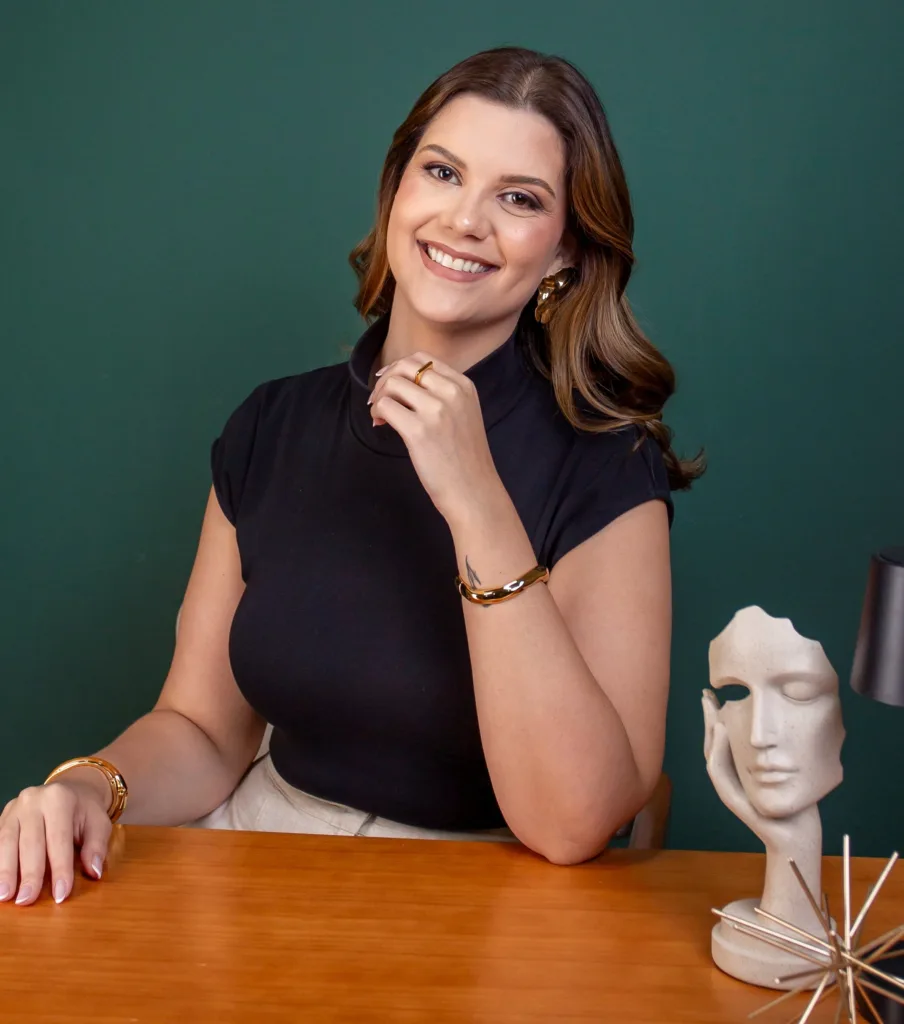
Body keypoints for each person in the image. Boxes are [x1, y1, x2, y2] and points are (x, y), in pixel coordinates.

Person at [0, 46, 703, 908]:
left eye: (518, 198)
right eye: (442, 172)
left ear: (564, 251)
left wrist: (477, 501)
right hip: (259, 860)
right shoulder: (271, 424)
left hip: (486, 897)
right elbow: (202, 731)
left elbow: (570, 825)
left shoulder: (608, 466)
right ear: (396, 191)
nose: (465, 219)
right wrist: (90, 787)